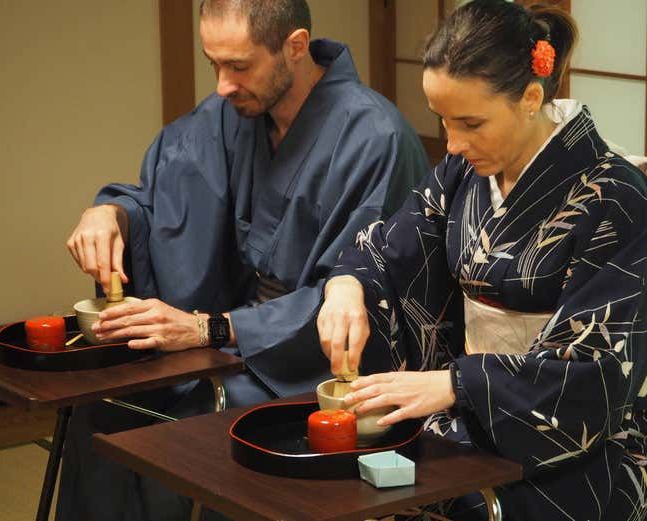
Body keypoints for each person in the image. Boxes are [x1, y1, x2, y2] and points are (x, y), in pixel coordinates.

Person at [57, 0, 429, 519]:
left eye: (239, 65)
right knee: (102, 409)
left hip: (315, 357)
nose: (222, 85)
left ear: (295, 47)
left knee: (186, 430)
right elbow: (159, 199)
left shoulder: (373, 137)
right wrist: (110, 213)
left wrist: (208, 329)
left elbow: (359, 287)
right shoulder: (232, 113)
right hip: (230, 333)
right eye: (214, 64)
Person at [317, 1, 647, 520]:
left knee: (442, 503)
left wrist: (455, 385)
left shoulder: (617, 201)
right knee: (359, 485)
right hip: (477, 412)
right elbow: (387, 250)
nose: (454, 143)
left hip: (595, 442)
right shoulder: (464, 173)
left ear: (531, 98)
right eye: (443, 121)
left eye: (471, 123)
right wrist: (346, 289)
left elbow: (596, 375)